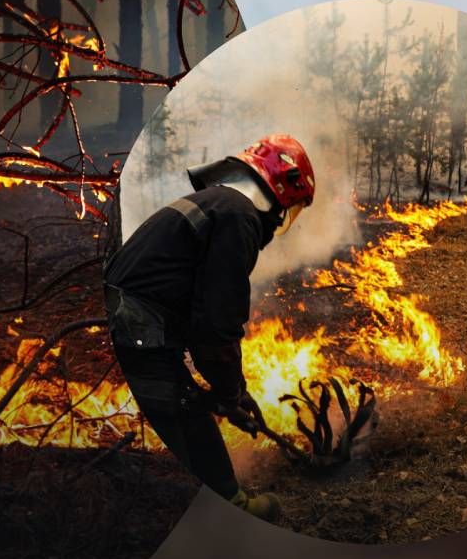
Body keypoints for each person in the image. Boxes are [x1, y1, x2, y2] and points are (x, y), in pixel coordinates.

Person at [104, 134, 316, 520]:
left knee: (185, 403)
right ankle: (230, 508)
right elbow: (216, 326)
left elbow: (191, 300)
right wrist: (229, 392)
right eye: (291, 207)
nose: (284, 218)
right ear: (282, 190)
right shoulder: (239, 218)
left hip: (130, 316)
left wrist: (232, 395)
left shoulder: (220, 202)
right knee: (183, 412)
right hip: (138, 322)